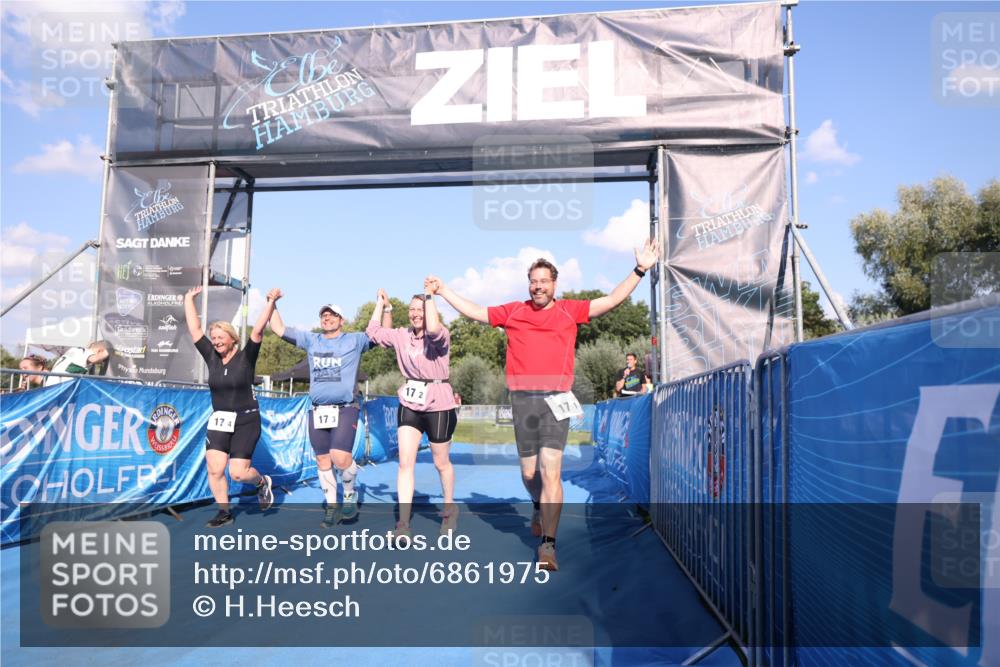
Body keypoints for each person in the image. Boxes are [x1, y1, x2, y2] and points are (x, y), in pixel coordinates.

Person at [428, 239, 660, 570]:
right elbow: (477, 312)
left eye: (544, 281)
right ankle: (537, 503)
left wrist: (639, 269)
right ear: (530, 284)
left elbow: (610, 300)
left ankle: (548, 545)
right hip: (522, 401)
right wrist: (444, 291)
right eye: (533, 281)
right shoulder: (514, 311)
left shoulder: (570, 310)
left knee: (552, 471)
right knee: (529, 471)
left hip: (556, 401)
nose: (538, 286)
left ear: (554, 284)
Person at [269, 294, 391, 527]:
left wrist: (383, 306)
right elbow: (278, 328)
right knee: (323, 460)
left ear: (341, 320)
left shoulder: (354, 340)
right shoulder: (311, 340)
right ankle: (331, 507)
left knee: (340, 457)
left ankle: (348, 493)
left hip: (345, 407)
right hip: (318, 410)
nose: (327, 318)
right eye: (324, 315)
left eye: (332, 315)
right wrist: (272, 303)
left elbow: (381, 334)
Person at [366, 285, 458, 540]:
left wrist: (429, 296)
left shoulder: (440, 334)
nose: (416, 313)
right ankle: (403, 525)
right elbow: (373, 332)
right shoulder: (401, 335)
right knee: (406, 463)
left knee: (441, 463)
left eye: (421, 309)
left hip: (439, 402)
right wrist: (384, 305)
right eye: (412, 309)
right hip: (410, 402)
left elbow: (434, 329)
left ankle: (450, 509)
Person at [184, 285, 278, 528]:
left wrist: (270, 301)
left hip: (246, 421)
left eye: (220, 338)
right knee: (215, 469)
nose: (215, 342)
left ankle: (261, 483)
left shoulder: (246, 357)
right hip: (219, 420)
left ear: (232, 338)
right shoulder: (212, 357)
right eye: (213, 338)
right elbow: (194, 329)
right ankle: (224, 512)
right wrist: (188, 299)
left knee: (238, 473)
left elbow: (258, 330)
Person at [44, 340, 113, 386]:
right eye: (104, 359)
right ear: (100, 351)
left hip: (53, 385)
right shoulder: (84, 351)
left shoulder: (75, 350)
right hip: (59, 386)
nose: (102, 362)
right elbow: (94, 359)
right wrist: (111, 350)